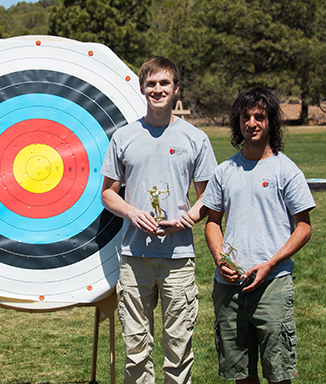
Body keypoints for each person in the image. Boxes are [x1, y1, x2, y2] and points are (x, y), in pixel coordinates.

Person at [101, 56, 217, 384]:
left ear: (176, 89)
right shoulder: (124, 137)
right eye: (151, 84)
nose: (157, 90)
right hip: (134, 257)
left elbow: (209, 195)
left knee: (178, 348)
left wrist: (188, 218)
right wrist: (133, 212)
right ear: (142, 88)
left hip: (179, 259)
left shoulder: (195, 138)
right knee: (136, 348)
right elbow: (108, 193)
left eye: (164, 83)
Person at [202, 88, 315, 384]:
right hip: (230, 288)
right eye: (245, 117)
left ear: (270, 122)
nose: (252, 123)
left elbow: (303, 227)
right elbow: (213, 222)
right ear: (237, 122)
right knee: (241, 374)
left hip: (273, 286)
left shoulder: (286, 170)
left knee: (279, 374)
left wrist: (271, 262)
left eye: (259, 117)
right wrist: (219, 259)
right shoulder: (224, 171)